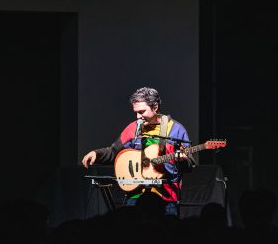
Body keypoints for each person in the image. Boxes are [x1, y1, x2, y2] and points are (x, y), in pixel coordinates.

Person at [82, 87, 195, 216]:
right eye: (136, 112)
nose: (138, 117)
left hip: (167, 196)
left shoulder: (175, 129)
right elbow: (113, 151)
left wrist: (184, 160)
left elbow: (189, 164)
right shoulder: (133, 128)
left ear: (155, 107)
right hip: (136, 194)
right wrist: (97, 154)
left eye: (142, 111)